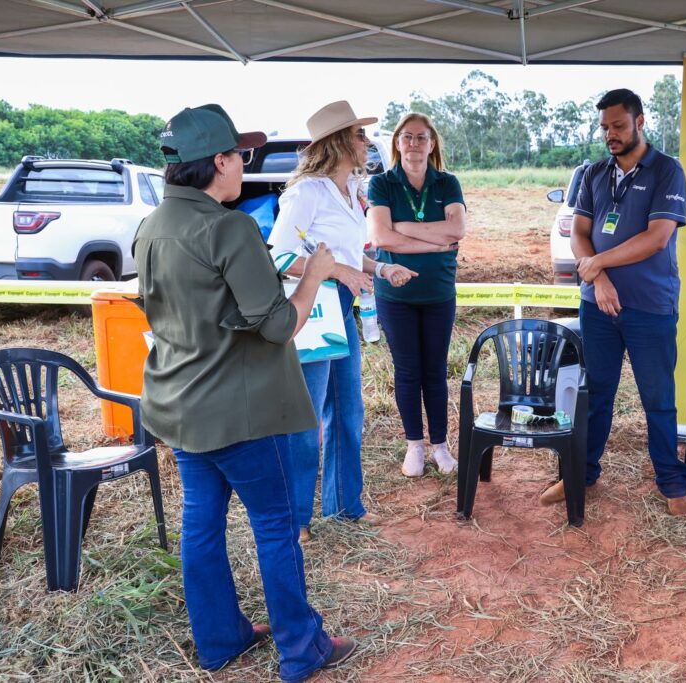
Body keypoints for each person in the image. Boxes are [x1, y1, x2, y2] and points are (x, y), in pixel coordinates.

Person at [133, 104, 355, 682]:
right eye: (241, 156)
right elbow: (279, 324)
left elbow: (201, 305)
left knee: (201, 524)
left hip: (180, 406)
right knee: (276, 525)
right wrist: (316, 274)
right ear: (219, 162)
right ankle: (302, 649)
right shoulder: (228, 227)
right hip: (241, 411)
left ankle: (219, 639)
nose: (245, 168)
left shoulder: (152, 225)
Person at [540, 88, 686, 517]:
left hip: (650, 306)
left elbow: (657, 237)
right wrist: (601, 278)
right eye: (605, 127)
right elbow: (578, 231)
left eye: (619, 126)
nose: (610, 134)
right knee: (597, 393)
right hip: (598, 306)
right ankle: (581, 474)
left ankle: (671, 484)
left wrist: (596, 265)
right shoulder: (593, 173)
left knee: (657, 398)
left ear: (640, 122)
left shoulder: (667, 171)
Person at [269, 100, 416, 538]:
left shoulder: (353, 190)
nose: (367, 141)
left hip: (343, 314)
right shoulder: (307, 193)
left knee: (348, 412)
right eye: (358, 134)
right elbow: (278, 256)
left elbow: (351, 258)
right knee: (306, 420)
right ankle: (295, 519)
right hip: (311, 315)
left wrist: (380, 268)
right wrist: (336, 272)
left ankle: (344, 505)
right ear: (337, 142)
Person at [367, 112, 466, 478]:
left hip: (439, 292)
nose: (413, 144)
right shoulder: (381, 184)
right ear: (397, 143)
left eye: (421, 137)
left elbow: (458, 229)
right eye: (406, 137)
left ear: (432, 143)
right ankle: (414, 446)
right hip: (396, 295)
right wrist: (435, 243)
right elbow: (381, 238)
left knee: (435, 371)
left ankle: (439, 445)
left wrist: (404, 229)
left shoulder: (447, 182)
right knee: (408, 371)